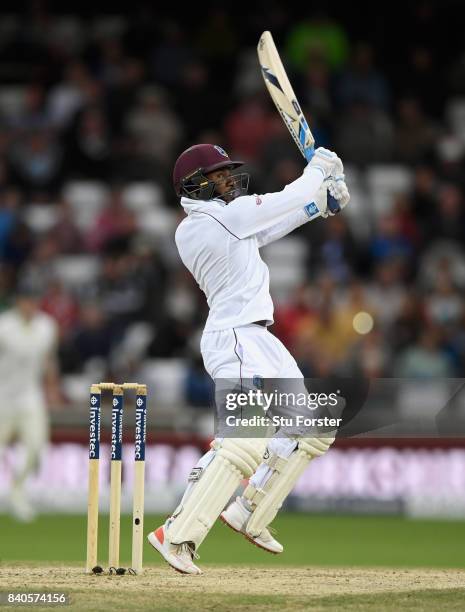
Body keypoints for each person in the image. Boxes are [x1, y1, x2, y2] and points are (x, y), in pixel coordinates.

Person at [147, 143, 350, 573]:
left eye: (227, 173)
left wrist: (321, 204)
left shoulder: (229, 221)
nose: (228, 180)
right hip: (235, 339)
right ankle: (177, 533)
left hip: (260, 340)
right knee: (244, 441)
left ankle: (250, 511)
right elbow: (280, 204)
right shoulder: (203, 223)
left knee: (312, 428)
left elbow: (272, 225)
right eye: (218, 175)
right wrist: (317, 173)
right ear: (195, 185)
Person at [0, 283, 60, 521]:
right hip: (2, 397)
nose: (30, 305)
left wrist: (53, 389)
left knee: (36, 447)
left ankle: (16, 493)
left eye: (33, 300)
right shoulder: (4, 326)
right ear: (18, 303)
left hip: (30, 397)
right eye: (26, 300)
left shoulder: (47, 326)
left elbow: (48, 360)